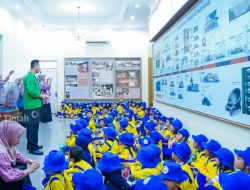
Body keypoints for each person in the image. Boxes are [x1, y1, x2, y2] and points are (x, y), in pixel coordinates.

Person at [0, 121, 40, 189]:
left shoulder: (5, 141)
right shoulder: (1, 153)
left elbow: (16, 154)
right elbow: (8, 176)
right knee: (21, 169)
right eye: (17, 137)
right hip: (4, 179)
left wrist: (28, 160)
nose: (19, 140)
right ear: (9, 134)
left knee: (22, 165)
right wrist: (29, 170)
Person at [23, 60, 45, 155]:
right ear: (34, 66)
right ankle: (33, 148)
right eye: (39, 66)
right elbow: (31, 90)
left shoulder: (32, 77)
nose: (40, 68)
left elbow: (33, 90)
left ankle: (32, 145)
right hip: (32, 106)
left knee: (33, 127)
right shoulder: (29, 77)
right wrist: (40, 96)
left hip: (34, 105)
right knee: (33, 127)